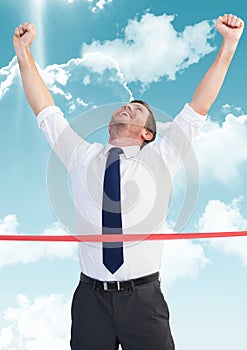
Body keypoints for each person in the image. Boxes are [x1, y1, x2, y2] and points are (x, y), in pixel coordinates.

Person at [13, 14, 244, 350]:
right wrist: (22, 52)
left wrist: (229, 44)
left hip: (143, 301)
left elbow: (199, 106)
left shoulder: (161, 157)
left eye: (136, 109)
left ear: (147, 132)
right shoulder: (82, 156)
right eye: (125, 104)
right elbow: (45, 110)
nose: (127, 106)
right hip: (90, 300)